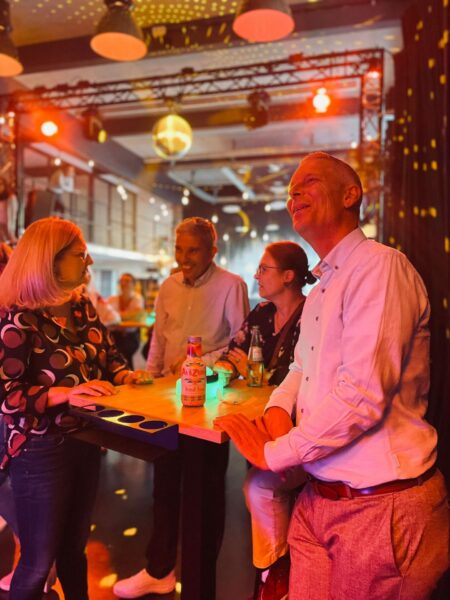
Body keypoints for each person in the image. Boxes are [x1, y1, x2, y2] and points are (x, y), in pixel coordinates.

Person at [216, 152, 449, 600]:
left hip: (381, 504)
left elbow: (362, 395)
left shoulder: (380, 266)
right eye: (290, 189)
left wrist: (276, 451)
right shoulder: (323, 288)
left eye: (309, 182)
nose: (294, 193)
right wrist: (278, 409)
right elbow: (300, 368)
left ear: (350, 194)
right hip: (319, 497)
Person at [0, 217, 151, 600]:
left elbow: (109, 357)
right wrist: (65, 394)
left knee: (73, 550)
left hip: (86, 439)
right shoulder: (18, 316)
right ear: (50, 261)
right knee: (36, 563)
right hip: (40, 448)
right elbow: (8, 397)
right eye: (80, 256)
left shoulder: (80, 306)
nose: (89, 264)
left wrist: (125, 376)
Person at [113, 217, 249, 598]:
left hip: (208, 401)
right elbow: (159, 336)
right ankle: (159, 570)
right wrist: (151, 376)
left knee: (206, 493)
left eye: (193, 251)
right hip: (165, 402)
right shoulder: (168, 285)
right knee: (164, 487)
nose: (184, 258)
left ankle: (201, 579)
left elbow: (238, 345)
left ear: (211, 251)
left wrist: (200, 363)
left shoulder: (231, 285)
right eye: (179, 250)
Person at [214, 241, 315, 600]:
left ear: (289, 276)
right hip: (258, 420)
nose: (256, 276)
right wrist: (223, 370)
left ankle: (278, 574)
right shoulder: (260, 314)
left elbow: (307, 378)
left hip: (298, 428)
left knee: (264, 487)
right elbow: (232, 355)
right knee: (261, 487)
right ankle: (274, 573)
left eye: (264, 269)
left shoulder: (313, 315)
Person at [108, 273, 145, 368]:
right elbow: (107, 316)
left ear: (134, 284)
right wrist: (128, 316)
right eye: (121, 281)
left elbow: (137, 316)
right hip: (114, 335)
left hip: (131, 336)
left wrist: (117, 317)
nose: (124, 283)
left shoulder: (138, 299)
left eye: (127, 281)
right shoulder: (113, 299)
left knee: (124, 353)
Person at [0, 177, 17, 243]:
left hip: (7, 227)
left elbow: (13, 216)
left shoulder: (11, 198)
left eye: (1, 184)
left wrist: (11, 232)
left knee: (6, 244)